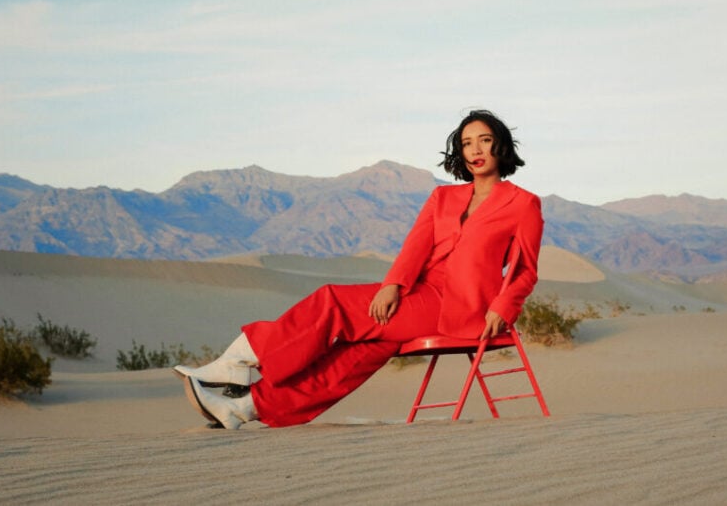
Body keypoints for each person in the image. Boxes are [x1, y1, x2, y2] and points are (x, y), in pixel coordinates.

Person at [174, 109, 544, 429]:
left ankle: (239, 362)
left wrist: (504, 306)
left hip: (462, 307)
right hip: (419, 292)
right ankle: (244, 407)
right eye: (466, 143)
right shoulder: (443, 197)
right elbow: (415, 246)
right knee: (358, 353)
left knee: (332, 300)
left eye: (484, 140)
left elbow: (526, 269)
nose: (475, 150)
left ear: (502, 146)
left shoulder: (523, 204)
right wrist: (393, 285)